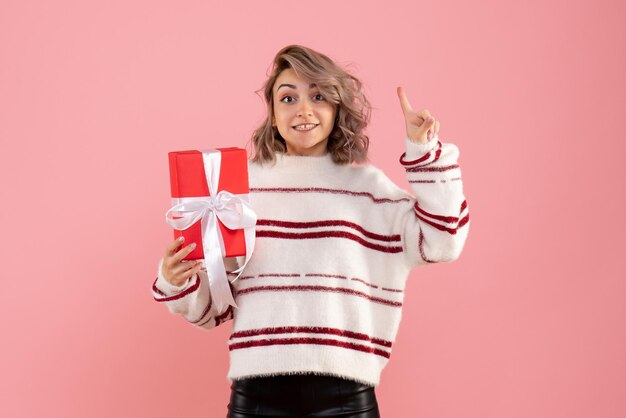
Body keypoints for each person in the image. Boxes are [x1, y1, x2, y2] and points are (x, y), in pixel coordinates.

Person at [152, 44, 470, 417]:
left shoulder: (369, 189)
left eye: (318, 96)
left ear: (337, 109)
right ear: (272, 114)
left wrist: (424, 151)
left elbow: (443, 240)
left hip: (346, 399)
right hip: (256, 398)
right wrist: (178, 281)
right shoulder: (236, 191)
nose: (303, 110)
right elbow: (213, 311)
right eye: (288, 98)